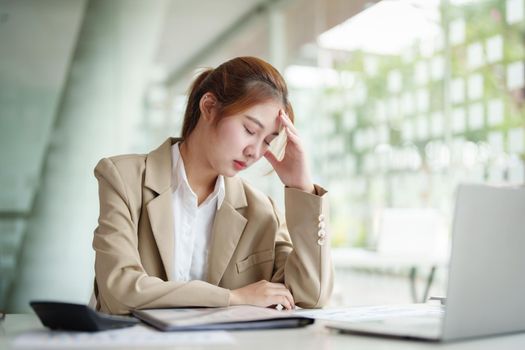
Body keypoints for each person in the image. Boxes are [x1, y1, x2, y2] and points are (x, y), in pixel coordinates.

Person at [92, 56, 333, 315]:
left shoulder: (262, 210)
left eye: (268, 141)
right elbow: (119, 292)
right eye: (250, 130)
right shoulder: (123, 178)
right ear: (208, 107)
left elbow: (310, 295)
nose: (255, 151)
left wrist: (302, 188)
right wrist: (232, 298)